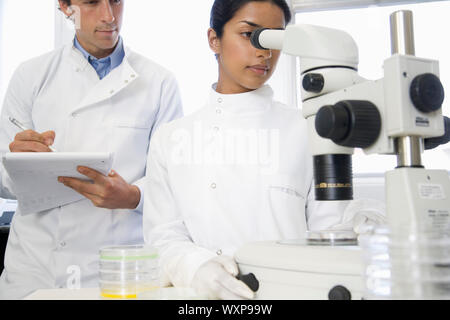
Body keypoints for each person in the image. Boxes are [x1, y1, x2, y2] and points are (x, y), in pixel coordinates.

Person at [143, 0, 384, 300]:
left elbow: (330, 233)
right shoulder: (171, 138)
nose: (265, 52)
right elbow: (163, 238)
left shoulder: (308, 129)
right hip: (204, 301)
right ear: (213, 40)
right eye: (250, 35)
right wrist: (196, 267)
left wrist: (361, 225)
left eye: (275, 38)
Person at [0, 0, 183, 299]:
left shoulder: (160, 82)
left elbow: (173, 182)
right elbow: (3, 180)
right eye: (92, 3)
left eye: (116, 1)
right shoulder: (30, 75)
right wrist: (18, 164)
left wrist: (133, 196)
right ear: (65, 6)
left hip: (119, 268)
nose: (109, 16)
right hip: (39, 269)